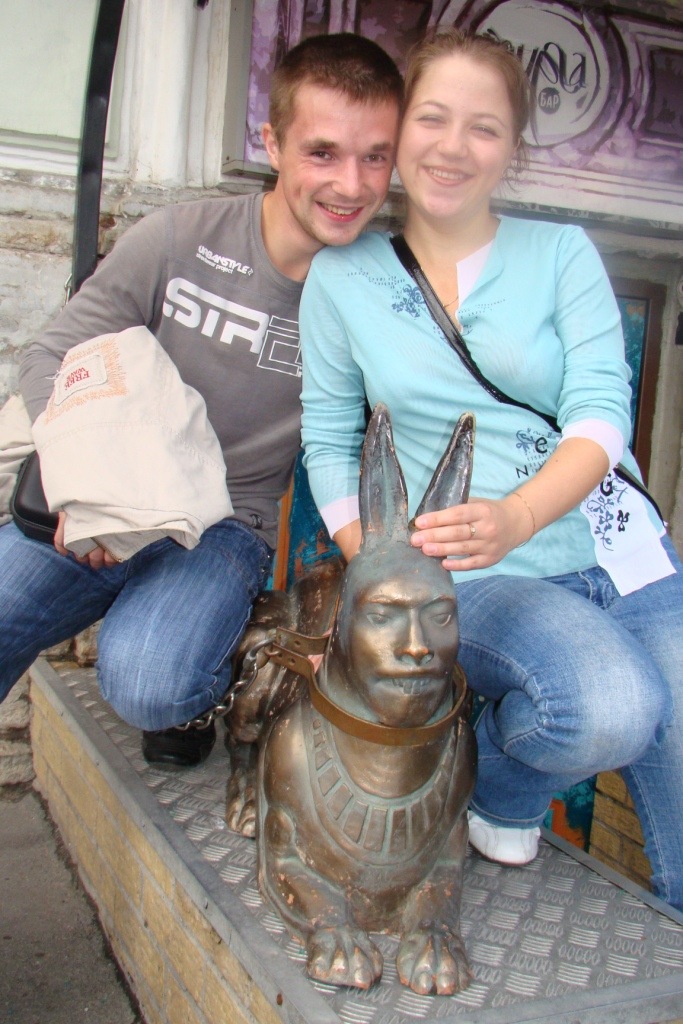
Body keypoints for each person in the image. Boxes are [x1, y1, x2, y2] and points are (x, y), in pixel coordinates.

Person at [299, 29, 683, 911]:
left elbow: (601, 411)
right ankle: (502, 792)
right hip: (472, 574)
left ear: (512, 148)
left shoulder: (561, 252)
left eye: (483, 127)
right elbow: (326, 440)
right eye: (432, 118)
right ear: (399, 131)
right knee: (609, 708)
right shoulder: (344, 276)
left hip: (617, 546)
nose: (453, 146)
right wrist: (382, 566)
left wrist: (520, 513)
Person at [0, 33, 402, 767]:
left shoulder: (384, 291)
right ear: (271, 143)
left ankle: (200, 685)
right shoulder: (179, 236)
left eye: (375, 156)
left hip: (224, 524)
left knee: (151, 684)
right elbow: (49, 356)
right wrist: (86, 487)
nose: (351, 184)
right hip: (111, 497)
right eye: (322, 152)